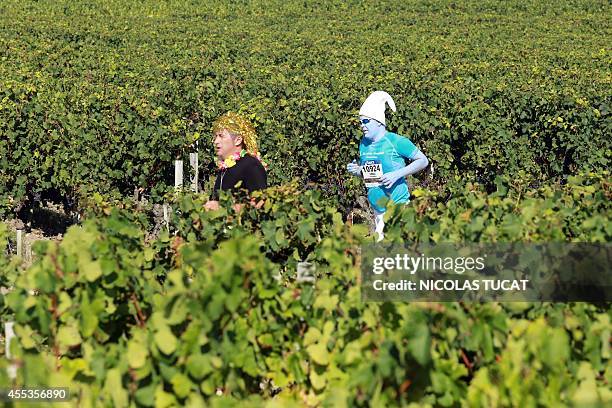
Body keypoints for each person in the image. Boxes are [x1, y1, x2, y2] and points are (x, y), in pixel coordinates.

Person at [346, 91, 429, 240]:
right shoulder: (364, 144)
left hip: (398, 208)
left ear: (378, 121)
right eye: (360, 122)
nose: (362, 126)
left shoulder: (396, 141)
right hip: (378, 211)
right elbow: (372, 173)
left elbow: (423, 161)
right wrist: (358, 170)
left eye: (366, 121)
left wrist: (397, 174)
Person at [204, 112, 267, 211]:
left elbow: (261, 202)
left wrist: (223, 209)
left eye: (221, 136)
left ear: (238, 140)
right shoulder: (226, 167)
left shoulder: (250, 164)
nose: (216, 141)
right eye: (215, 136)